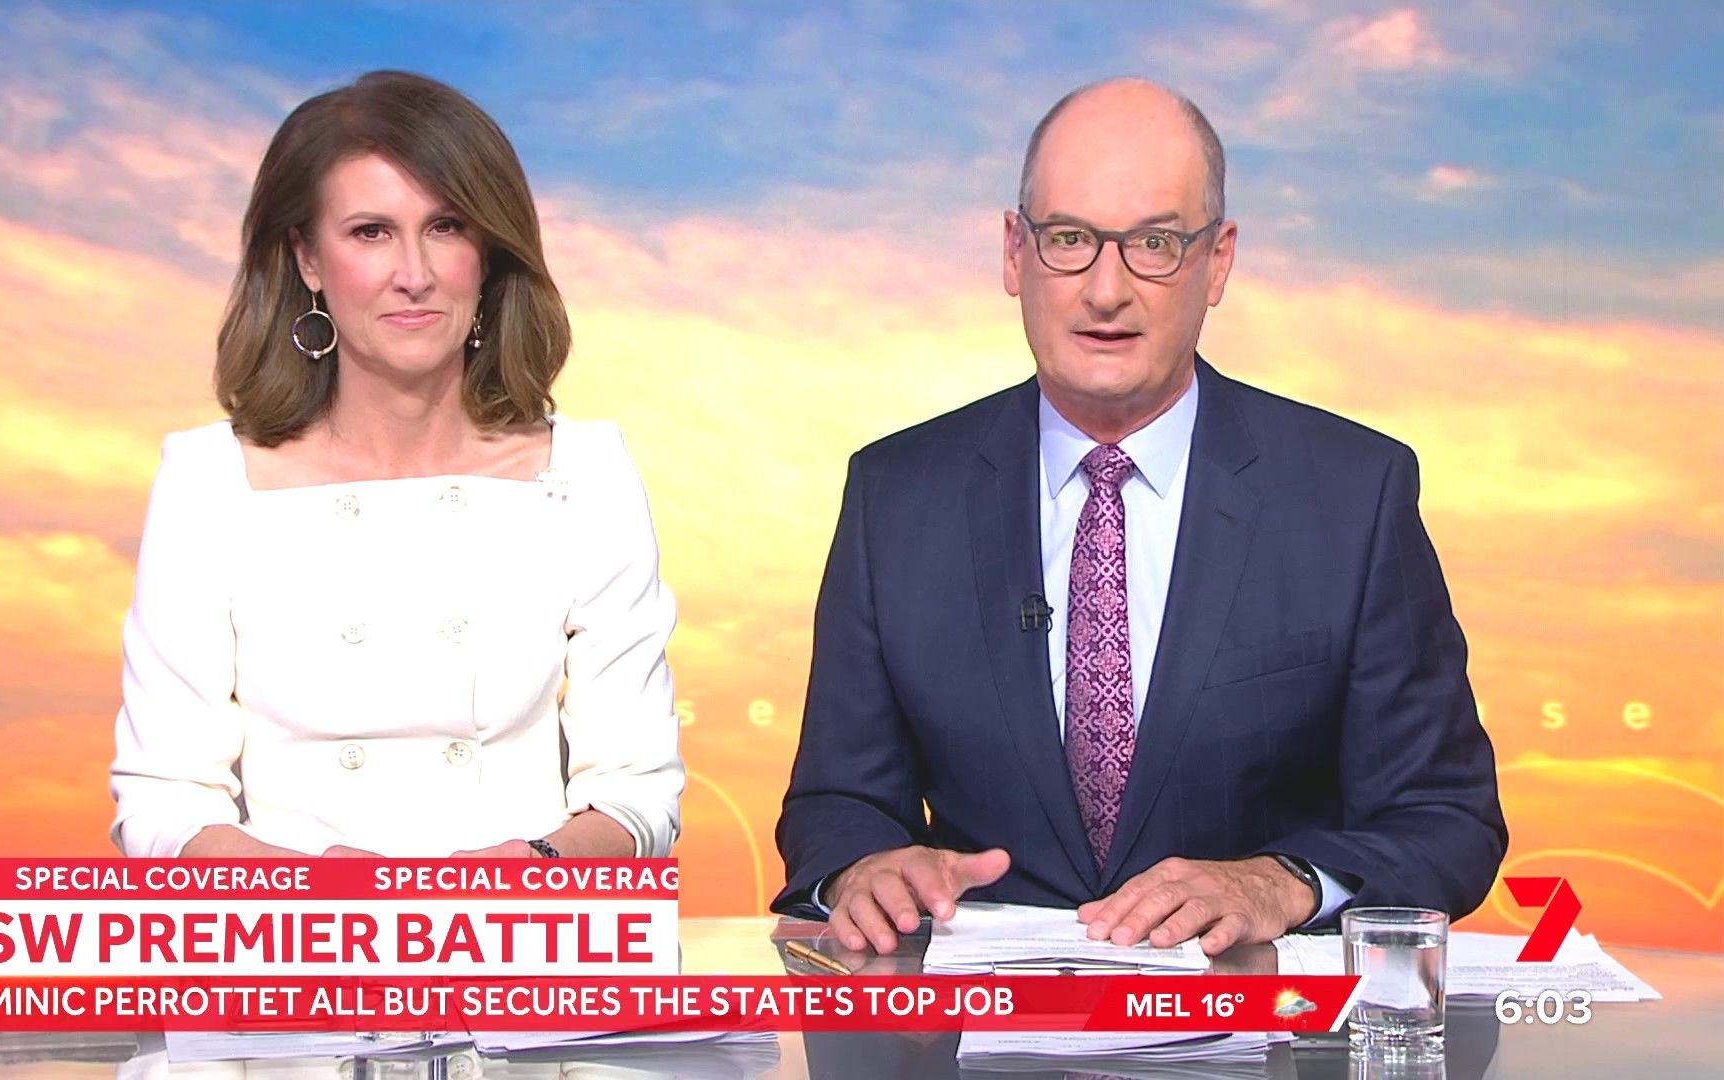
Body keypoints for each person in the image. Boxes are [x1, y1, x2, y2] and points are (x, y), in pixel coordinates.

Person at [773, 78, 1506, 955]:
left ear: (1218, 261)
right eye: (1069, 240)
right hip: (980, 1015)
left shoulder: (1352, 494)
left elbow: (1444, 817)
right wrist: (863, 869)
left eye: (1155, 243)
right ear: (1014, 253)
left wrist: (1284, 883)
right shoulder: (894, 496)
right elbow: (836, 804)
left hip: (1256, 1016)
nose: (1106, 290)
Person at [109, 71, 682, 861]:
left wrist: (526, 869)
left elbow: (638, 793)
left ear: (488, 253)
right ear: (308, 258)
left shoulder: (585, 470)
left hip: (522, 923)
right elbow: (164, 799)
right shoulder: (209, 479)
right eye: (370, 232)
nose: (414, 273)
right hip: (290, 926)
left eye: (445, 227)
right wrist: (324, 896)